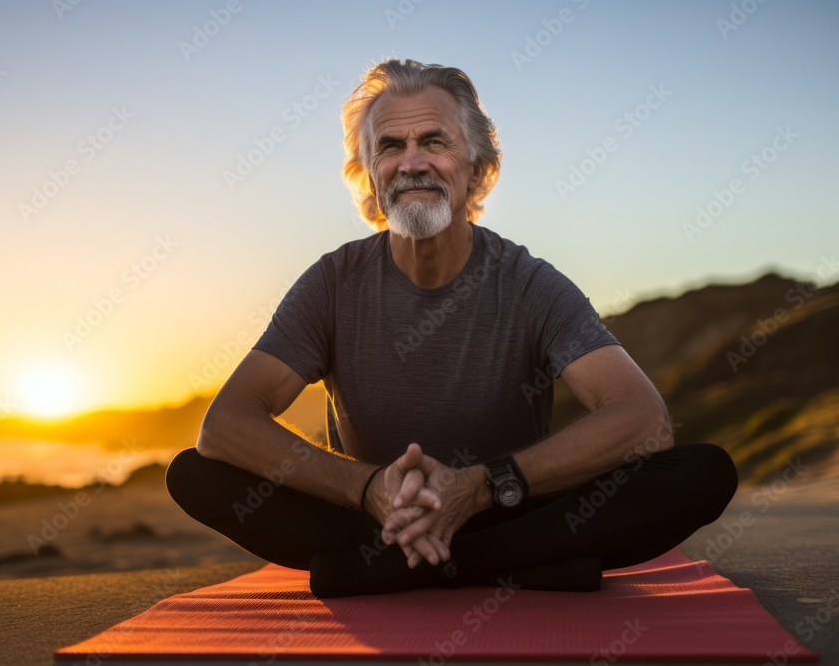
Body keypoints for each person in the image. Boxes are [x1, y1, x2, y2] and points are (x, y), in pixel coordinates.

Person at [166, 59, 737, 598]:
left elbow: (641, 419)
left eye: (434, 141)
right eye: (391, 146)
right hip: (373, 516)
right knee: (195, 475)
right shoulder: (332, 283)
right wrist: (368, 490)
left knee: (703, 472)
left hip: (509, 506)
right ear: (370, 175)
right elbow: (225, 426)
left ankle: (399, 569)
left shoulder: (529, 282)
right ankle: (509, 563)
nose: (412, 162)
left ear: (477, 166)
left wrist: (482, 486)